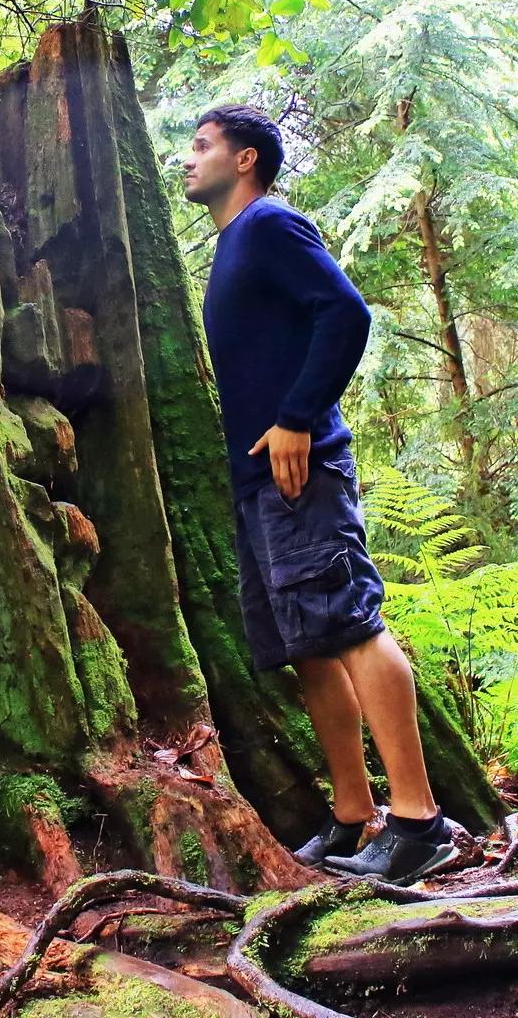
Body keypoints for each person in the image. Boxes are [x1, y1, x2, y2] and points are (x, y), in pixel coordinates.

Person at [180, 103, 456, 883]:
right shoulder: (235, 243)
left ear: (245, 160)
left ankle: (418, 820)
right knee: (307, 645)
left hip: (303, 467)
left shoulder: (270, 225)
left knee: (350, 623)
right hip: (258, 478)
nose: (188, 159)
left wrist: (298, 416)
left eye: (202, 146)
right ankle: (351, 815)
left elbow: (345, 311)